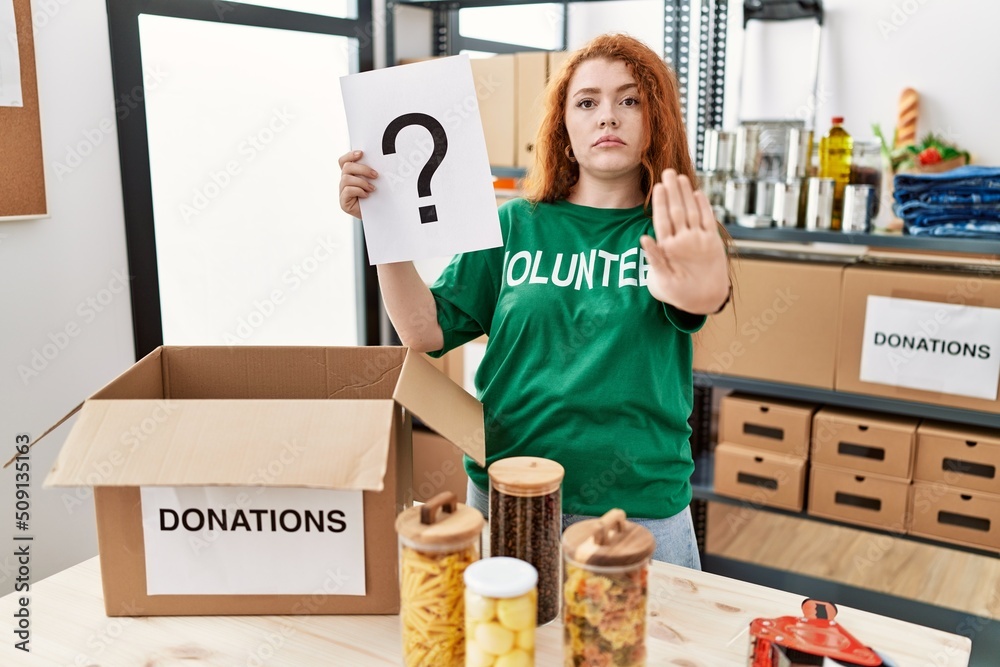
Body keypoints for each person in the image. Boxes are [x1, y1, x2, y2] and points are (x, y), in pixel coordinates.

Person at [338, 34, 730, 569]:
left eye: (629, 99)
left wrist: (703, 289)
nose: (607, 117)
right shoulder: (514, 225)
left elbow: (699, 300)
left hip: (638, 510)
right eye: (587, 102)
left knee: (639, 654)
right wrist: (383, 228)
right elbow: (423, 330)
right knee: (512, 649)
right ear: (565, 127)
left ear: (655, 118)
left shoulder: (673, 231)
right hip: (511, 494)